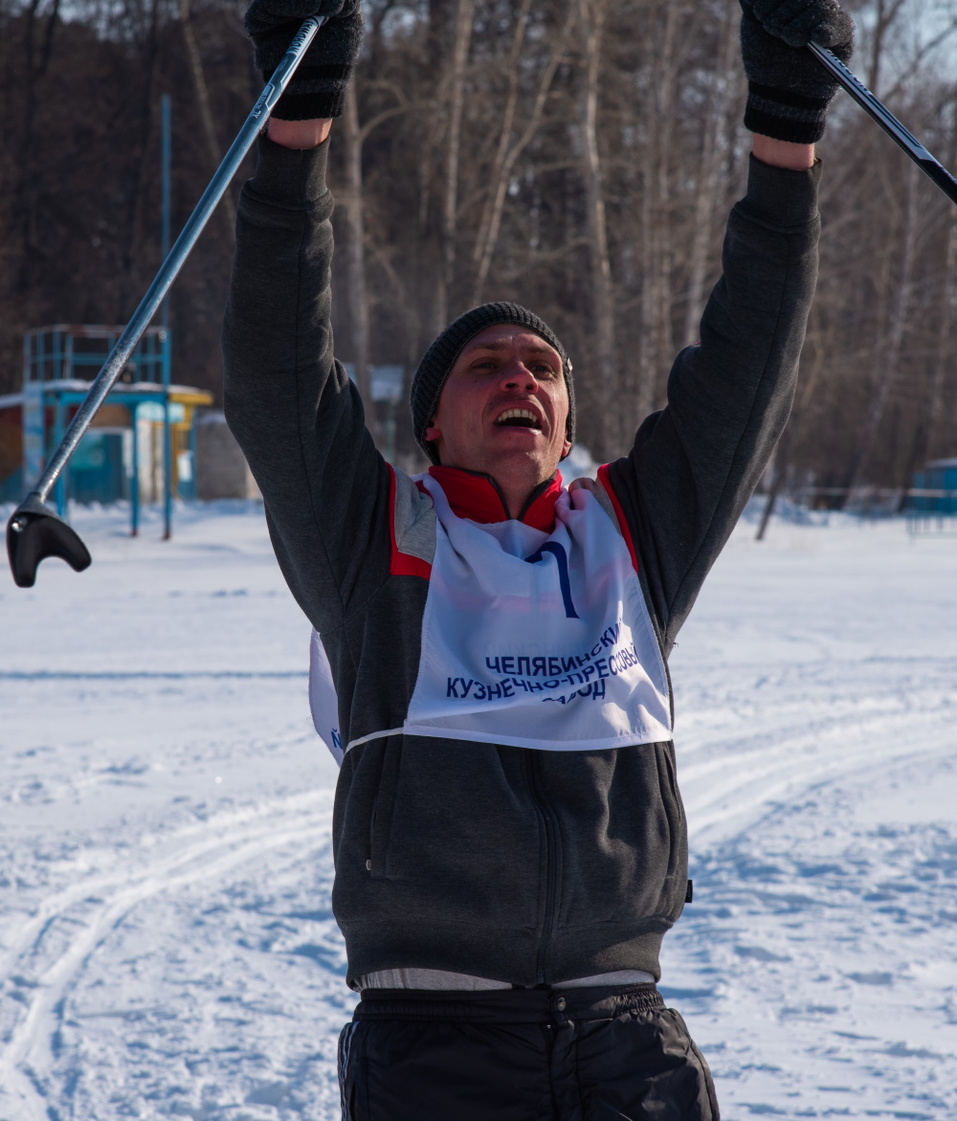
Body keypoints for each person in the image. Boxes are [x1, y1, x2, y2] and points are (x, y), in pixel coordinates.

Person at [223, 0, 853, 1116]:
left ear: (565, 424)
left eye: (541, 368)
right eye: (485, 365)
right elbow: (278, 365)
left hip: (629, 1039)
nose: (520, 375)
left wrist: (787, 127)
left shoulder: (632, 538)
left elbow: (747, 360)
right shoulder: (371, 544)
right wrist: (299, 115)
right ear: (431, 424)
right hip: (435, 1040)